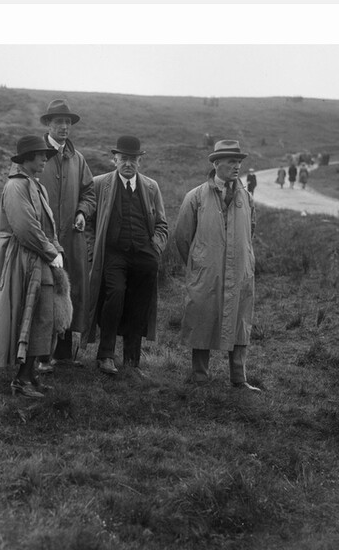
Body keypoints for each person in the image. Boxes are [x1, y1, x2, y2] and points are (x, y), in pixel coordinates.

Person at [0, 135, 69, 398]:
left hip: (36, 256)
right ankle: (21, 380)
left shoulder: (36, 186)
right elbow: (25, 227)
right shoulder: (17, 186)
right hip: (22, 258)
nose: (44, 160)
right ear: (27, 158)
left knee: (42, 316)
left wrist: (55, 250)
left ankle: (30, 375)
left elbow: (44, 226)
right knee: (29, 314)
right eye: (41, 156)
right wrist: (51, 252)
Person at [173, 140, 260, 392]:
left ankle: (239, 379)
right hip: (206, 274)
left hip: (240, 272)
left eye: (239, 162)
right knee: (202, 317)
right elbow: (182, 237)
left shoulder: (247, 198)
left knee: (240, 321)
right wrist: (199, 263)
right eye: (232, 161)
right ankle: (199, 376)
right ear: (216, 163)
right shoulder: (196, 196)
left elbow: (249, 232)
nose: (237, 166)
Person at [83, 136, 168, 376]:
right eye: (123, 159)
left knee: (139, 305)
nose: (128, 164)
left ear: (140, 161)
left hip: (143, 255)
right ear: (115, 159)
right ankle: (105, 356)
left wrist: (156, 247)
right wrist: (92, 249)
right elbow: (88, 222)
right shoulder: (100, 184)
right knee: (114, 296)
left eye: (133, 159)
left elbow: (162, 224)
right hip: (113, 254)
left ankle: (132, 362)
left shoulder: (151, 187)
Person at [35, 99, 96, 370]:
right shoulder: (36, 155)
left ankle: (63, 355)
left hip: (72, 241)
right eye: (58, 121)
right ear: (48, 124)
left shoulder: (78, 159)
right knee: (43, 293)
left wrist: (82, 212)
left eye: (68, 122)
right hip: (42, 240)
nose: (64, 126)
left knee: (70, 293)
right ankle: (38, 356)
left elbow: (89, 193)